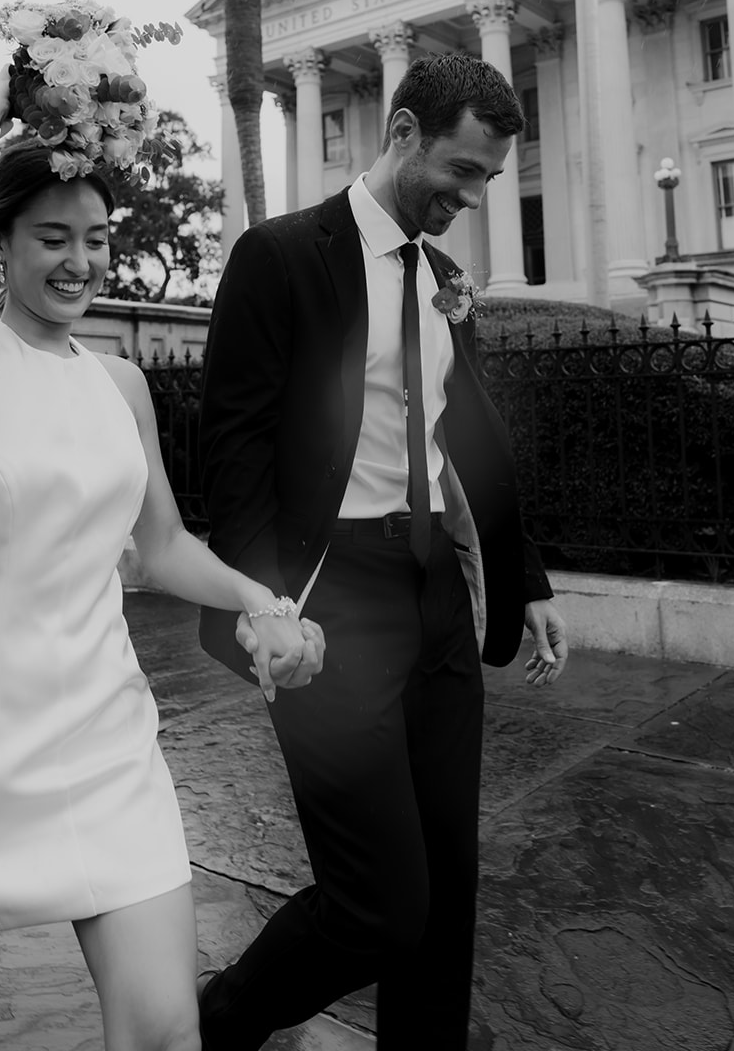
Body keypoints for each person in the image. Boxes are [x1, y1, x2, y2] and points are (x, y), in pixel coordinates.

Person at [0, 69, 324, 1051]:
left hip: (109, 744)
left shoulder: (120, 384)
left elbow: (158, 545)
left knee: (164, 1032)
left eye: (96, 238)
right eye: (50, 237)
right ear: (0, 244)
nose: (79, 262)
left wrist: (258, 598)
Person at [196, 51, 569, 1049]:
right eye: (461, 170)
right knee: (376, 901)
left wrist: (521, 578)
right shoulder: (281, 256)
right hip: (329, 601)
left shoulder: (441, 277)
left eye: (487, 177)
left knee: (445, 884)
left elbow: (467, 431)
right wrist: (258, 602)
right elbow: (229, 449)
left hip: (433, 595)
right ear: (401, 133)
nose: (472, 196)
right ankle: (213, 1023)